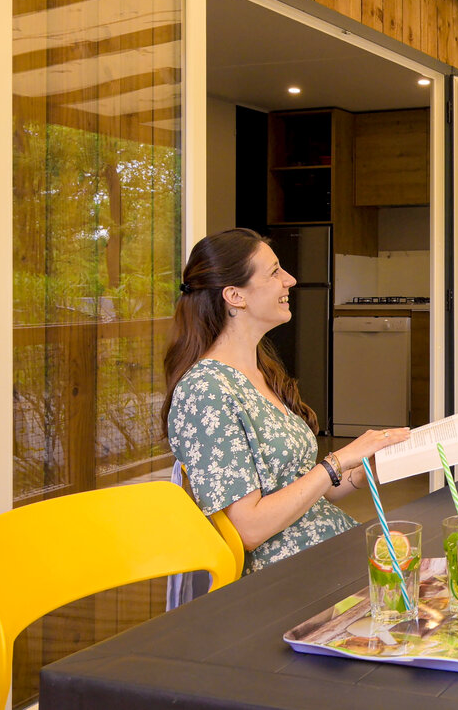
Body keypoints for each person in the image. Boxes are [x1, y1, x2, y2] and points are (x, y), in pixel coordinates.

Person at [162, 228, 410, 575]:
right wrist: (337, 460)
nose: (290, 280)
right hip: (290, 578)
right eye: (275, 272)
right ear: (235, 295)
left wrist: (370, 465)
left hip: (331, 552)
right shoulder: (207, 392)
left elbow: (310, 490)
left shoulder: (261, 372)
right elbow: (248, 530)